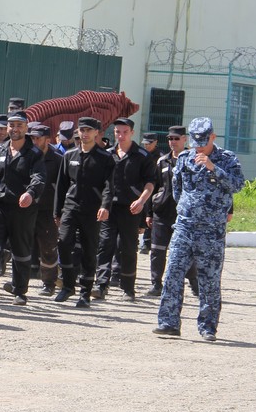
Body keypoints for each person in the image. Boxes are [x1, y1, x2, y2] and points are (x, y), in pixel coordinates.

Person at [154, 117, 244, 341]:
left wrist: (214, 168)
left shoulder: (227, 159)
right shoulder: (184, 158)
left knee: (209, 280)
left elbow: (238, 185)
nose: (199, 145)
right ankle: (168, 323)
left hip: (211, 230)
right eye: (196, 141)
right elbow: (177, 190)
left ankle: (207, 327)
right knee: (173, 272)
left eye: (204, 141)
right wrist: (188, 209)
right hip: (185, 226)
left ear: (213, 137)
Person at [0, 111, 46, 306]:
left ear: (26, 128)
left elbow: (39, 178)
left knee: (21, 250)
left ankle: (20, 291)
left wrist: (30, 193)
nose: (15, 129)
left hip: (22, 208)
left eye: (19, 126)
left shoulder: (34, 154)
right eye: (11, 125)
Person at [52, 117, 115, 308]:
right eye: (82, 130)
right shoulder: (69, 155)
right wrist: (57, 211)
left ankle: (85, 292)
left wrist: (105, 206)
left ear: (97, 133)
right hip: (71, 208)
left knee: (89, 250)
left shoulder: (105, 158)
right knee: (63, 244)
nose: (85, 134)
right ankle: (68, 285)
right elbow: (61, 185)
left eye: (89, 130)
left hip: (92, 210)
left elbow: (109, 186)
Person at [93, 117, 156, 302]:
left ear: (132, 133)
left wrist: (142, 201)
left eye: (124, 132)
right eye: (117, 132)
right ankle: (101, 285)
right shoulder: (107, 154)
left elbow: (150, 183)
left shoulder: (142, 156)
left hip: (131, 209)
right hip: (109, 208)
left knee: (128, 248)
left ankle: (128, 287)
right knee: (105, 246)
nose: (120, 136)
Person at [147, 125, 198, 297]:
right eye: (170, 139)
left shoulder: (193, 160)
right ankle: (156, 284)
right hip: (162, 212)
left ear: (185, 139)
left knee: (187, 251)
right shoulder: (162, 161)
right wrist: (149, 213)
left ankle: (194, 283)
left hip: (184, 214)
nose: (173, 142)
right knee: (157, 250)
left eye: (177, 138)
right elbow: (153, 187)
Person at [27, 123, 64, 296]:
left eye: (38, 138)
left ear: (47, 140)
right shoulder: (26, 155)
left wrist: (59, 211)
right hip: (27, 208)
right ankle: (19, 282)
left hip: (48, 209)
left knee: (48, 247)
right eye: (32, 138)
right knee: (21, 244)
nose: (34, 141)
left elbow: (63, 187)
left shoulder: (57, 159)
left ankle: (49, 283)